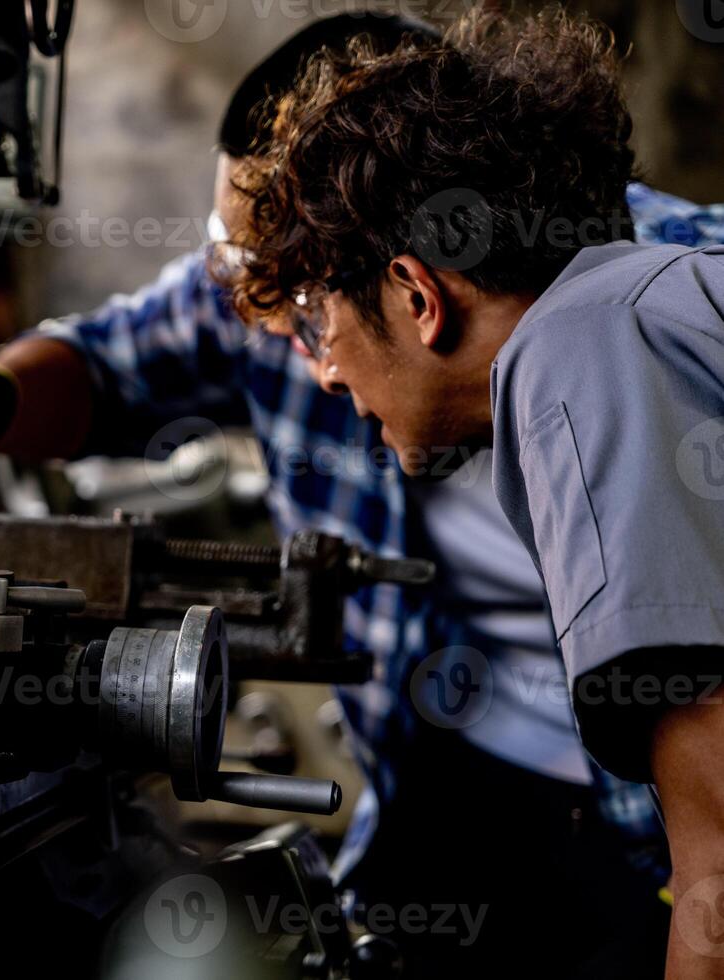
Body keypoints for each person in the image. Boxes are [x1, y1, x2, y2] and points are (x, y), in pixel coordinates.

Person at [0, 11, 724, 978]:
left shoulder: (597, 343)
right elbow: (105, 365)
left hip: (639, 809)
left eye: (305, 309)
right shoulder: (365, 293)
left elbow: (714, 856)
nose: (304, 355)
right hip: (454, 770)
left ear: (405, 271)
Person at [218, 9, 724, 979]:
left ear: (416, 293)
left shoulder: (582, 353)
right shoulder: (650, 303)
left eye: (319, 321)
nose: (321, 372)